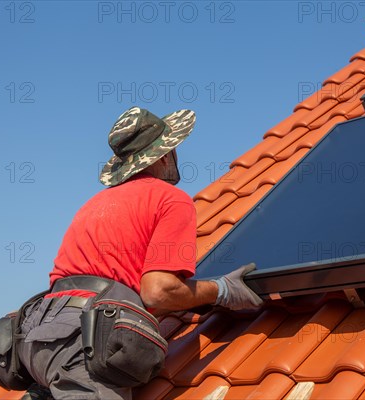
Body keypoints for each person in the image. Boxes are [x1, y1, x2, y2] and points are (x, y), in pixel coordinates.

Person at [18, 107, 263, 400]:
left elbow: (112, 289)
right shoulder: (170, 200)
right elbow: (158, 292)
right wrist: (221, 290)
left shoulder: (94, 205)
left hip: (38, 340)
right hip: (84, 345)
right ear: (162, 155)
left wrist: (188, 300)